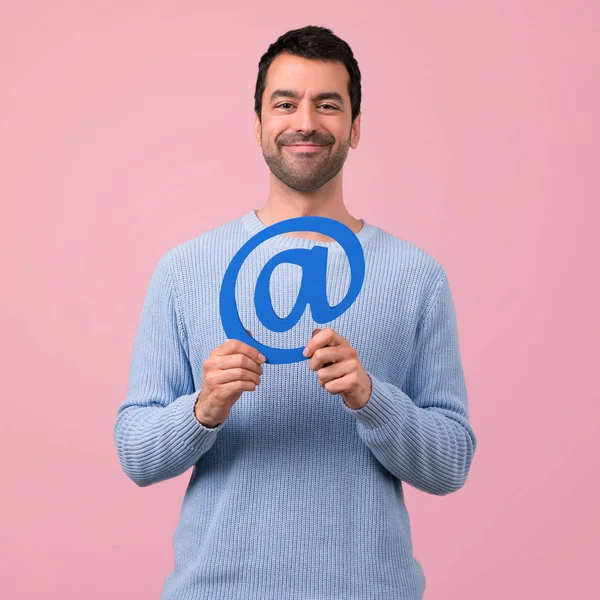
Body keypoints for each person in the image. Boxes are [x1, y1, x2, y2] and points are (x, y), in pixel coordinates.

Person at [113, 24, 477, 600]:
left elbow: (451, 463)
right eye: (285, 103)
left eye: (327, 104)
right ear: (258, 124)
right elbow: (136, 453)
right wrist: (203, 409)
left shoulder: (416, 276)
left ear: (355, 128)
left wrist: (371, 398)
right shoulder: (186, 269)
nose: (305, 121)